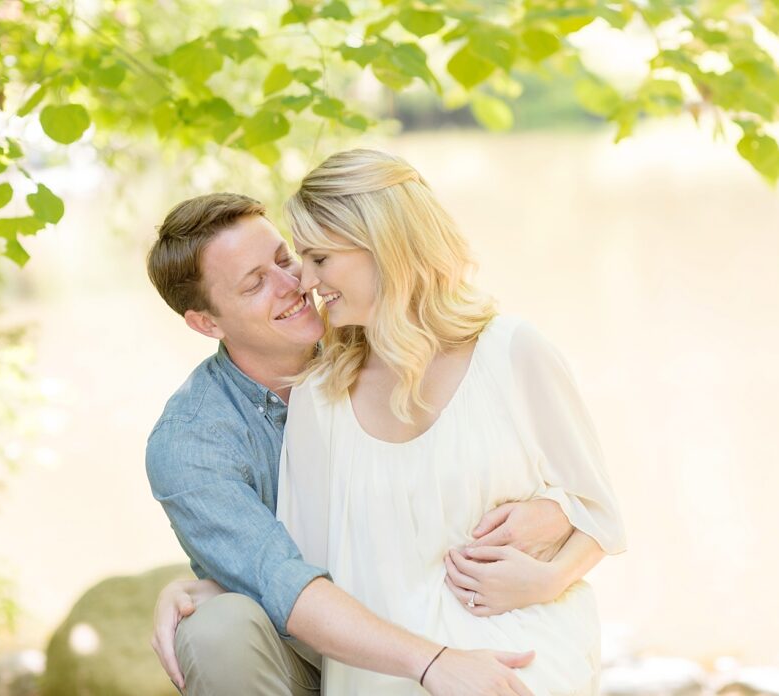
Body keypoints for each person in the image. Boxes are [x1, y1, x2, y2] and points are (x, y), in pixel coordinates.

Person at [144, 192, 586, 695]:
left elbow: (504, 462)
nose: (295, 285)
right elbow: (283, 582)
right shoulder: (191, 443)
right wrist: (435, 662)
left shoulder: (371, 329)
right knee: (214, 631)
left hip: (441, 606)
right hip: (304, 650)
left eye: (285, 258)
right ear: (207, 323)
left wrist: (557, 509)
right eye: (255, 283)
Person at [277, 149, 627, 695]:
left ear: (384, 248)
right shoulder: (321, 397)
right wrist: (208, 585)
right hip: (386, 671)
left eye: (319, 258)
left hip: (520, 650)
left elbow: (601, 515)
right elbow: (304, 574)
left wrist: (548, 578)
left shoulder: (513, 353)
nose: (304, 279)